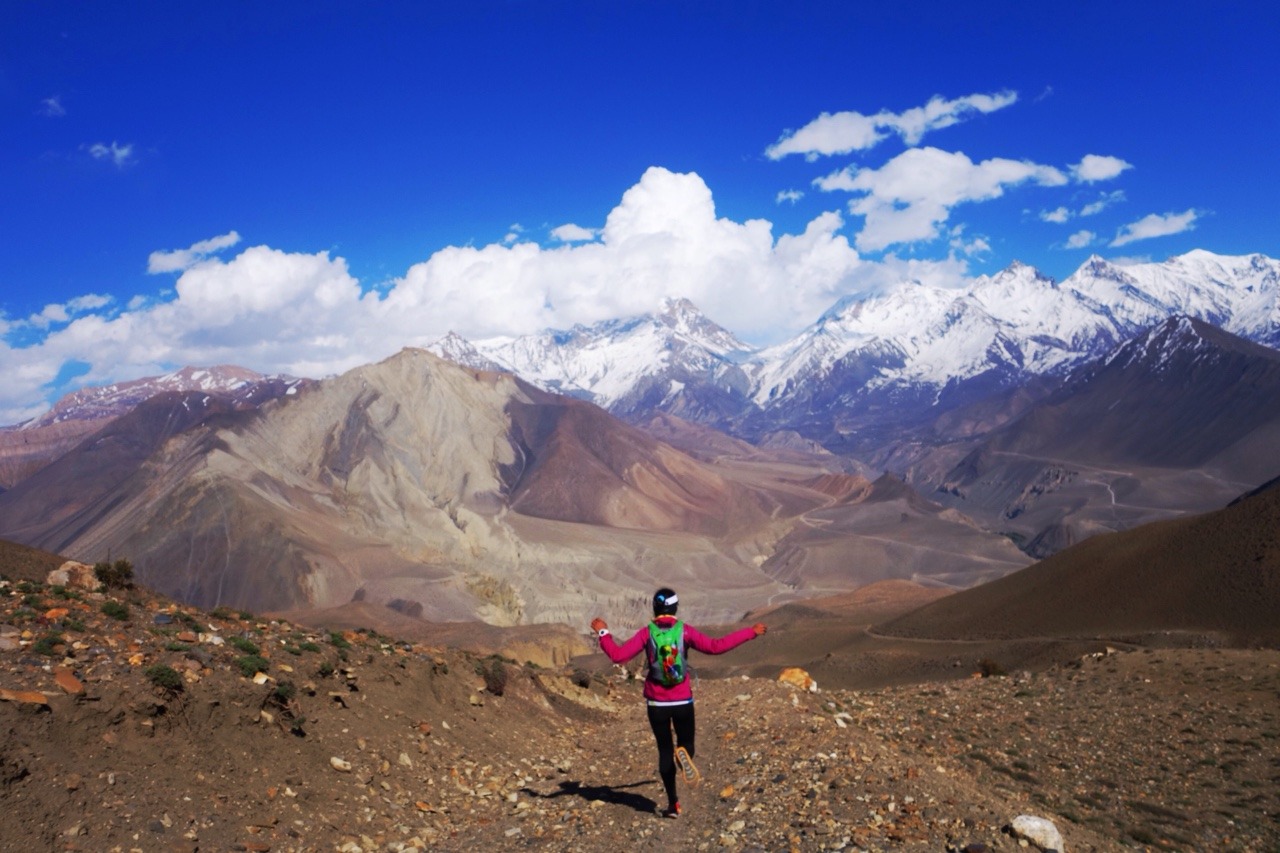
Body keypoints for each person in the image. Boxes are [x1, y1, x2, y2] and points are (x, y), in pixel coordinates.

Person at [590, 587, 766, 819]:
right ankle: (684, 755)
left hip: (656, 703)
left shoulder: (646, 633)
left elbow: (619, 656)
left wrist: (603, 632)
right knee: (686, 744)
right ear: (675, 608)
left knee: (664, 751)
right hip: (682, 700)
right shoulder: (685, 631)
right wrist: (750, 632)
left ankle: (673, 804)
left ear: (654, 608)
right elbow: (716, 647)